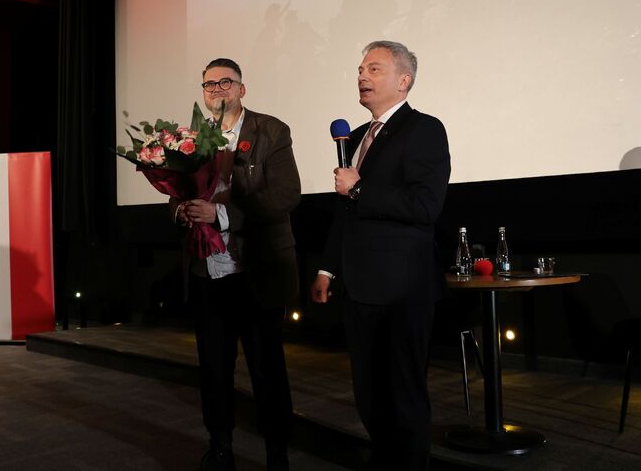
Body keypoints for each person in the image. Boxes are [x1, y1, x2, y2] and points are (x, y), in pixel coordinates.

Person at [311, 41, 451, 470]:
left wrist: (359, 188)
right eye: (359, 69)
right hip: (358, 283)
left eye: (374, 69)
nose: (362, 76)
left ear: (404, 80)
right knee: (368, 392)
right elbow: (346, 215)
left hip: (403, 287)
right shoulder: (352, 138)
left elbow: (427, 206)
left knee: (403, 392)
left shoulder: (424, 129)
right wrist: (326, 267)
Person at [174, 58, 301, 471]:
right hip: (208, 271)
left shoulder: (271, 131)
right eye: (209, 84)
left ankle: (277, 454)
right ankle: (221, 446)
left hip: (256, 271)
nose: (216, 90)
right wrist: (182, 212)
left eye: (225, 82)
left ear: (241, 90)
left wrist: (222, 216)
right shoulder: (189, 140)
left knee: (267, 371)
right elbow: (175, 195)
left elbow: (285, 195)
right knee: (213, 369)